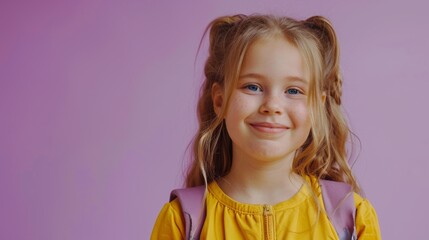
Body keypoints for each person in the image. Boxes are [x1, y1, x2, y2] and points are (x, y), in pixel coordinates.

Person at [151, 14, 381, 239]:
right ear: (220, 101)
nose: (272, 106)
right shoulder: (181, 221)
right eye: (252, 86)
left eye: (293, 91)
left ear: (317, 108)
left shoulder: (352, 217)